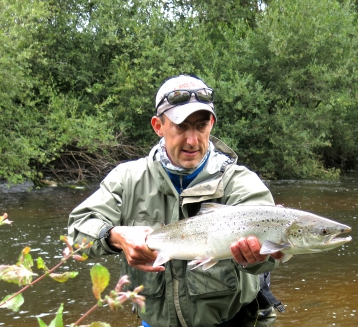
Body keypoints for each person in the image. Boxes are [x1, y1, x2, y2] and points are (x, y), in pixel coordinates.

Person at [68, 75, 283, 327]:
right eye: (181, 127)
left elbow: (271, 254)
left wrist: (259, 257)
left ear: (211, 124)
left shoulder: (240, 182)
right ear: (158, 126)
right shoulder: (126, 179)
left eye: (201, 126)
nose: (192, 140)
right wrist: (115, 236)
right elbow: (77, 234)